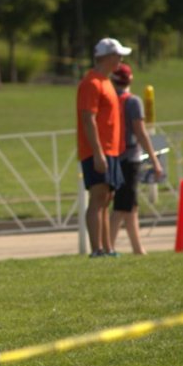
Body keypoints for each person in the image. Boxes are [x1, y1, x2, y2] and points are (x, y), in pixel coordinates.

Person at [77, 38, 127, 258]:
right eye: (117, 56)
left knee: (106, 198)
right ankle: (97, 249)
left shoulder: (105, 82)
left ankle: (108, 248)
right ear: (106, 57)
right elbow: (88, 119)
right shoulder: (92, 83)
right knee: (98, 197)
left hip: (111, 150)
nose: (120, 60)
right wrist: (97, 153)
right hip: (98, 150)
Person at [109, 63, 162, 255]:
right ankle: (108, 248)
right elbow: (140, 132)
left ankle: (138, 248)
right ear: (130, 80)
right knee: (122, 207)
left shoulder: (109, 100)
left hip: (113, 156)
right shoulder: (133, 102)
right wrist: (155, 160)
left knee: (131, 206)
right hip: (130, 157)